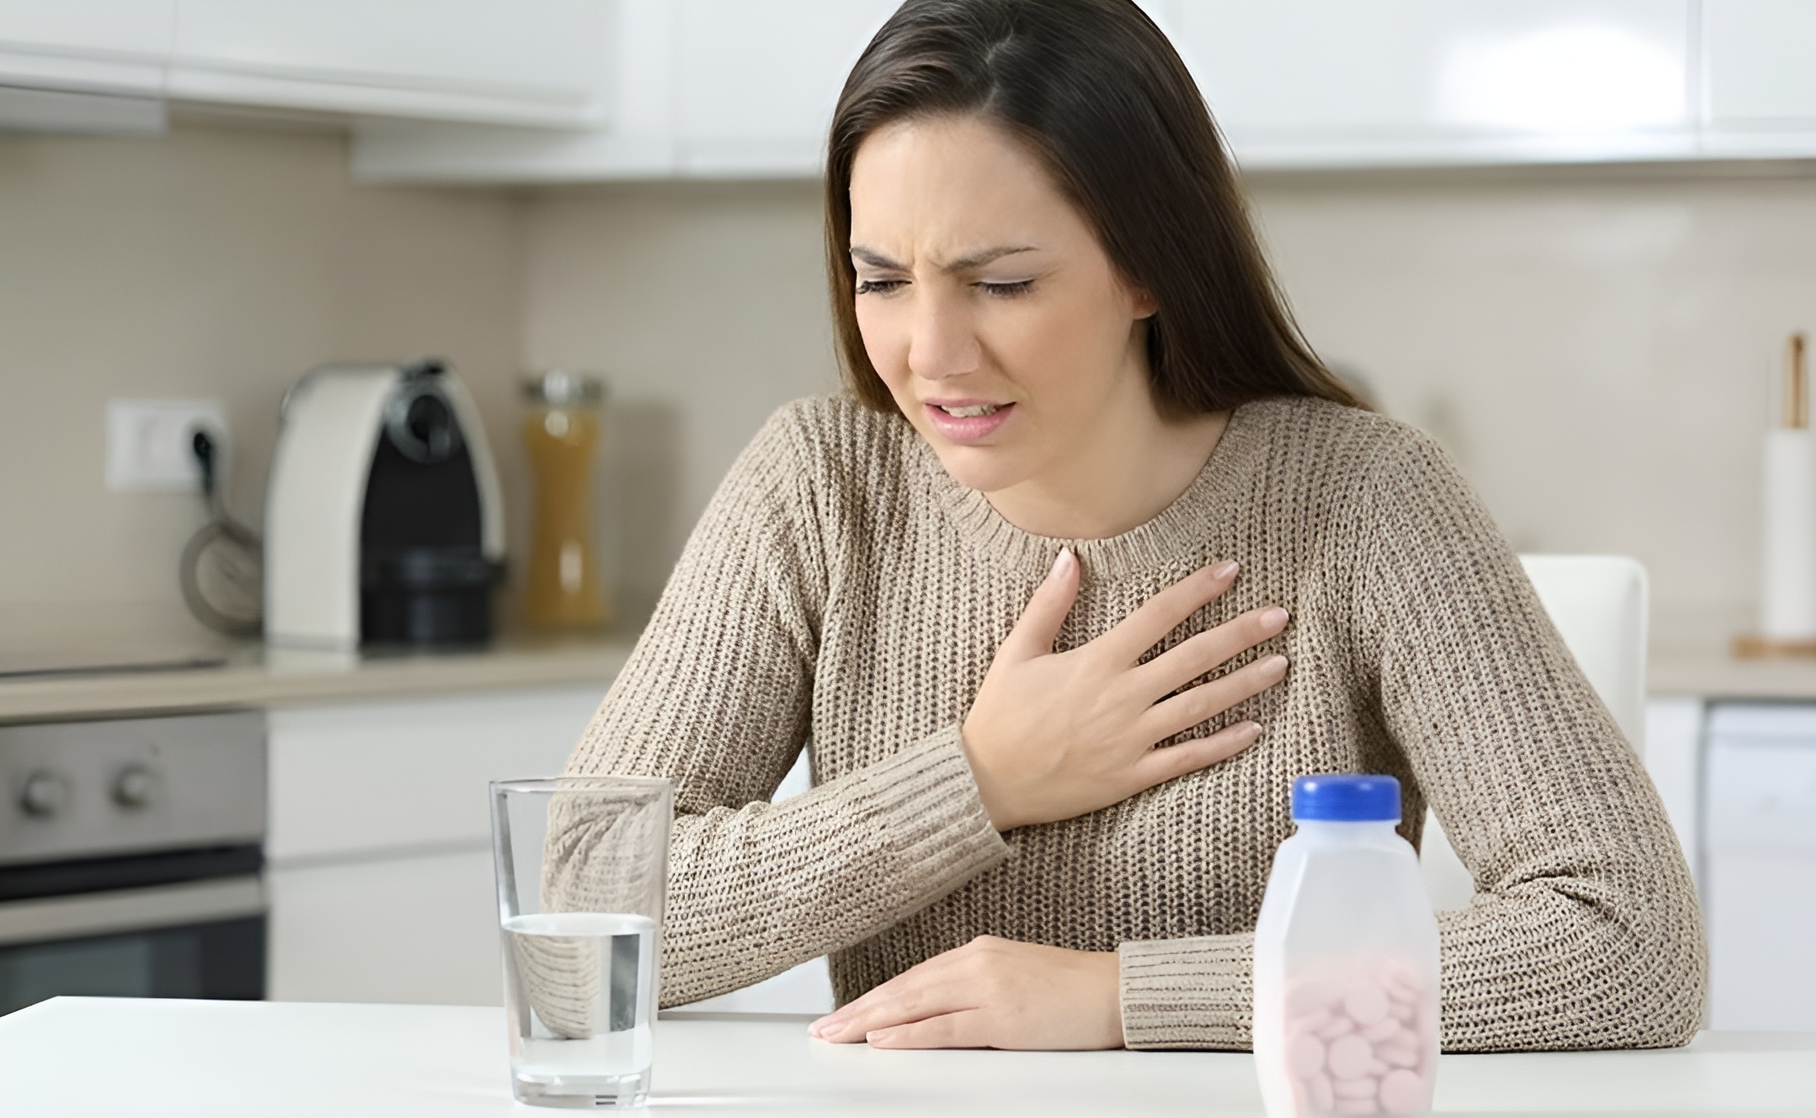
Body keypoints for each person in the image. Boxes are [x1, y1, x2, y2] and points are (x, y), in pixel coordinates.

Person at [565, 0, 1705, 1052]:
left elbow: (1628, 939)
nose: (930, 353)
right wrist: (978, 778)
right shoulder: (821, 486)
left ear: (1148, 265)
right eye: (881, 280)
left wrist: (1120, 997)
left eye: (999, 283)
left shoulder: (1363, 498)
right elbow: (570, 917)